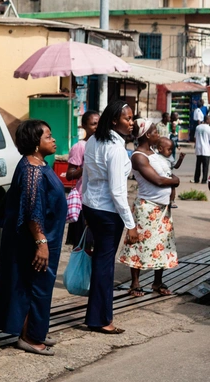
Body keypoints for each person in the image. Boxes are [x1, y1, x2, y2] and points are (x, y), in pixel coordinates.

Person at [0, 120, 67, 356]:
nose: (53, 140)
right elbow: (33, 210)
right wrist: (41, 243)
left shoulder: (38, 164)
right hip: (37, 239)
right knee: (34, 286)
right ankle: (29, 336)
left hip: (46, 236)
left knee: (38, 284)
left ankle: (36, 330)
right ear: (35, 143)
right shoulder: (32, 170)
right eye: (48, 136)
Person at [82, 100, 139, 335]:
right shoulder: (115, 148)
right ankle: (101, 319)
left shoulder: (93, 141)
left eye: (132, 118)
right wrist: (131, 224)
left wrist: (86, 206)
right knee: (104, 266)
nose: (132, 123)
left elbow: (86, 176)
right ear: (114, 120)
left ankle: (96, 315)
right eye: (128, 118)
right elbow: (117, 191)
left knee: (100, 264)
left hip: (93, 206)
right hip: (107, 211)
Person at [118, 120, 180, 297]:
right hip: (147, 208)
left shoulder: (154, 152)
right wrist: (175, 181)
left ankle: (157, 282)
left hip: (162, 208)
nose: (158, 134)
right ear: (147, 135)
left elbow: (167, 172)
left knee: (161, 244)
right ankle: (135, 283)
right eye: (154, 132)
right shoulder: (138, 156)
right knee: (139, 244)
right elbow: (159, 180)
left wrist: (171, 178)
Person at [65, 110, 100, 248]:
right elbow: (70, 174)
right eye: (93, 124)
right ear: (84, 126)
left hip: (100, 200)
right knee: (82, 243)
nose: (97, 126)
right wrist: (86, 166)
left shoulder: (104, 145)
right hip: (83, 201)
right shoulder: (80, 146)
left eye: (99, 123)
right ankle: (79, 270)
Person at [194, 114, 210, 184]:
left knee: (198, 165)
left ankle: (196, 179)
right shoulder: (208, 128)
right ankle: (204, 180)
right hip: (206, 150)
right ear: (207, 120)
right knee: (205, 166)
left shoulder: (198, 127)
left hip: (198, 148)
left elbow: (195, 137)